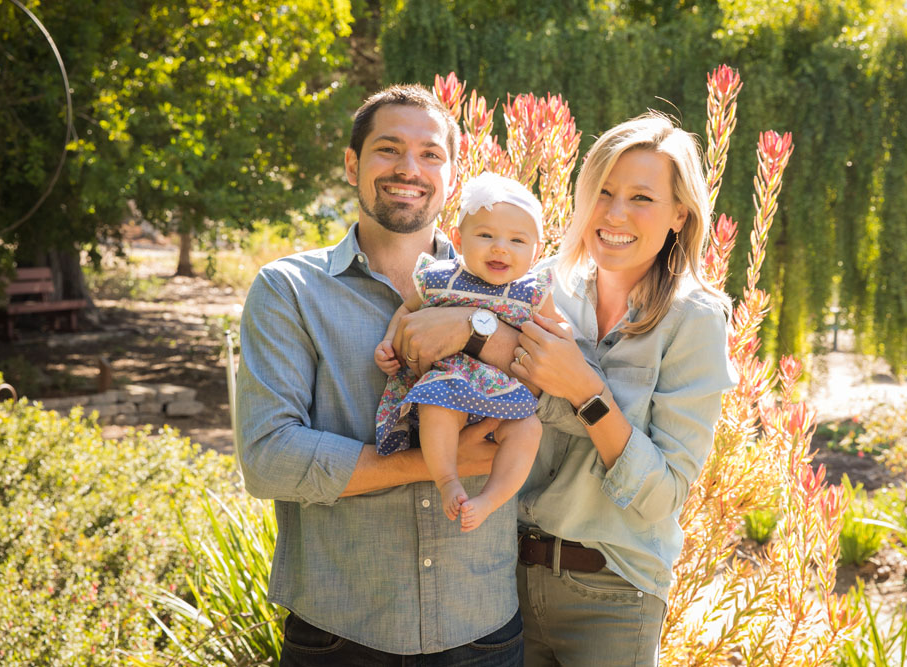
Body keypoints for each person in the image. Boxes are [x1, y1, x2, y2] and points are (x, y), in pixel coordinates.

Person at [236, 84, 526, 666]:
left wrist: (473, 330)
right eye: (388, 149)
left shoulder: (510, 281)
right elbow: (269, 458)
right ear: (352, 164)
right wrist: (442, 463)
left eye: (430, 154)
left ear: (452, 174)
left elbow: (551, 393)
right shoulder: (288, 291)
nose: (409, 169)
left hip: (480, 626)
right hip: (341, 630)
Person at [508, 112, 739, 666]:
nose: (613, 214)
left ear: (679, 215)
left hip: (612, 596)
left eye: (641, 198)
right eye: (604, 192)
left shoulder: (695, 320)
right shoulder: (541, 291)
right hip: (503, 583)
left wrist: (587, 392)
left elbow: (662, 498)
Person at [374, 172, 554, 532]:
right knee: (437, 407)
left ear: (538, 250)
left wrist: (556, 338)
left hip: (506, 392)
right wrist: (388, 340)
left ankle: (490, 498)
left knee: (528, 429)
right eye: (486, 235)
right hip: (451, 382)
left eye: (517, 240)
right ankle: (447, 481)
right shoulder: (441, 277)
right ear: (458, 238)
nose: (500, 247)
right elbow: (408, 311)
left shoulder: (533, 292)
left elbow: (557, 336)